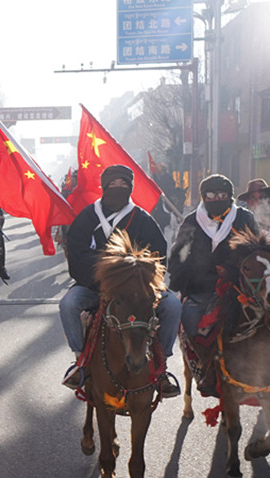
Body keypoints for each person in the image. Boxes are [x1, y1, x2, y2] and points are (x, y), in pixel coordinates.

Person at [59, 165, 182, 397]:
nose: (118, 187)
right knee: (68, 304)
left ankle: (162, 365)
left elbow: (157, 254)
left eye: (124, 184)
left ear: (130, 188)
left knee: (173, 306)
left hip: (136, 290)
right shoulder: (88, 216)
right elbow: (76, 251)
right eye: (113, 184)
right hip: (94, 287)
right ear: (104, 187)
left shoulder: (142, 218)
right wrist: (104, 276)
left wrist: (134, 273)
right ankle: (80, 361)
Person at [168, 175, 259, 394]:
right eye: (211, 195)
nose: (217, 199)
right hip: (201, 289)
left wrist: (233, 272)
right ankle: (206, 365)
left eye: (222, 195)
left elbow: (257, 251)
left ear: (230, 196)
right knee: (189, 318)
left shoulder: (244, 218)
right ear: (203, 197)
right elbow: (177, 256)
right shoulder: (192, 221)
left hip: (239, 288)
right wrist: (192, 279)